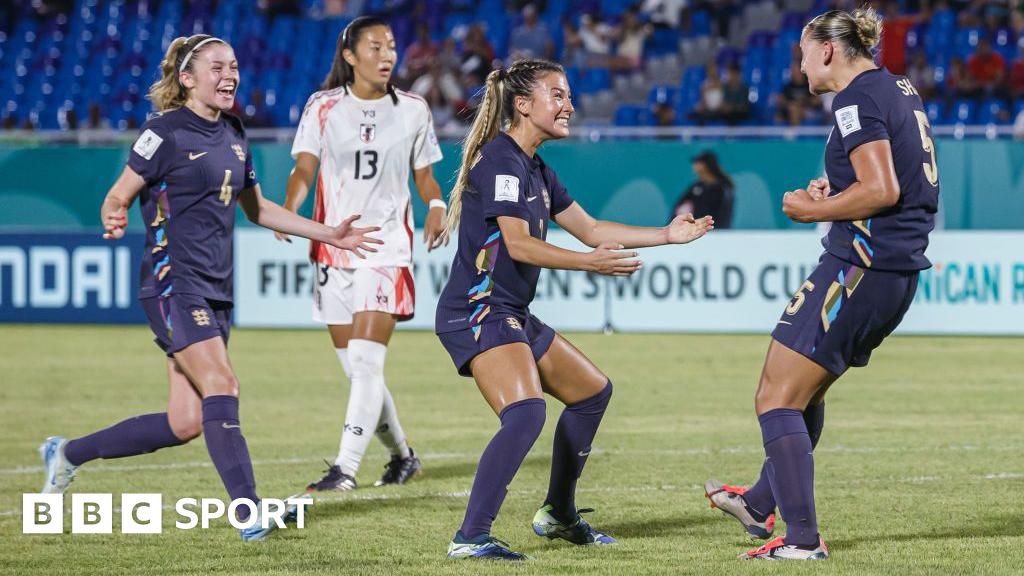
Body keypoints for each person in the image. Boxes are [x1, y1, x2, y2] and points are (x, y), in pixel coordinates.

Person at [38, 34, 381, 541]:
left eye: (235, 66)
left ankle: (66, 453)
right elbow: (120, 192)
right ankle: (249, 512)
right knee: (223, 383)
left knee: (184, 423)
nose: (230, 75)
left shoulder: (235, 133)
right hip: (173, 283)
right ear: (188, 78)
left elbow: (258, 209)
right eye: (217, 66)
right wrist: (113, 212)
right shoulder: (164, 132)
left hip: (216, 289)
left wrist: (329, 232)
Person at [436, 59, 714, 560]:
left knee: (591, 392)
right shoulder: (500, 160)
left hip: (509, 311)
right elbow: (518, 246)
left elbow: (591, 229)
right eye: (558, 95)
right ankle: (470, 536)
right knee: (524, 415)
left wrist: (666, 236)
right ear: (523, 105)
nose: (570, 105)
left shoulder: (536, 167)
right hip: (478, 309)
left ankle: (559, 515)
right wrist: (590, 265)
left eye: (568, 95)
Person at [704, 8, 939, 560]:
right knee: (801, 391)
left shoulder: (855, 99)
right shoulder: (897, 88)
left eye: (804, 52)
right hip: (889, 272)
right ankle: (761, 504)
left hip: (861, 268)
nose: (800, 64)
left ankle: (803, 541)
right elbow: (890, 175)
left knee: (775, 396)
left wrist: (814, 211)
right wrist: (835, 190)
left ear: (828, 50)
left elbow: (881, 189)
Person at [278, 16, 446, 493]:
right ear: (350, 56)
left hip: (386, 249)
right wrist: (291, 205)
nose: (387, 54)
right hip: (332, 250)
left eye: (391, 46)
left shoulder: (413, 109)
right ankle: (403, 457)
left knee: (368, 365)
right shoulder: (324, 107)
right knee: (358, 371)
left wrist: (435, 205)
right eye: (375, 46)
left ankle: (344, 469)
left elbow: (426, 176)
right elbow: (304, 168)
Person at [672, 151, 734, 229]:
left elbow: (722, 216)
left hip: (716, 233)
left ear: (704, 165)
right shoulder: (696, 187)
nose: (693, 166)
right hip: (697, 231)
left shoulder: (722, 189)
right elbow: (679, 206)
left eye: (697, 163)